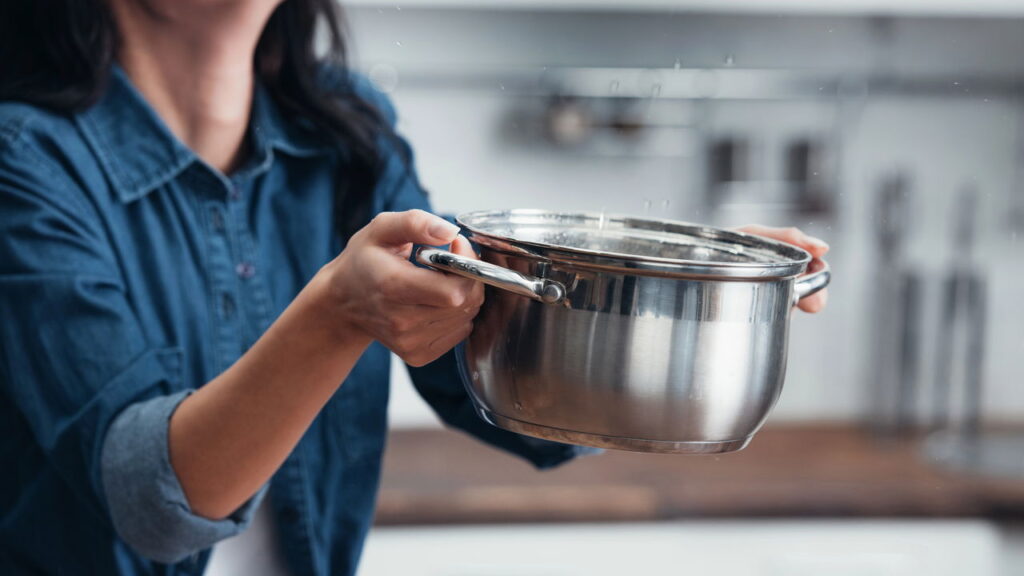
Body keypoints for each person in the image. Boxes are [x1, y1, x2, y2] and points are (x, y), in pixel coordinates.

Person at [0, 0, 830, 574]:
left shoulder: (344, 130)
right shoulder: (23, 160)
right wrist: (335, 316)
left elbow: (511, 383)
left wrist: (688, 294)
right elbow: (150, 503)